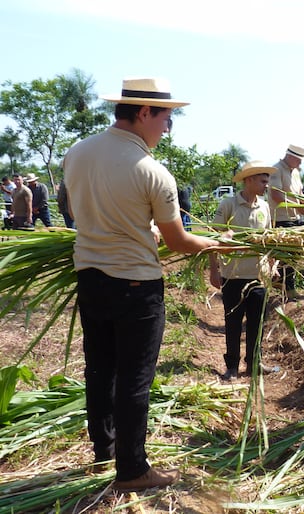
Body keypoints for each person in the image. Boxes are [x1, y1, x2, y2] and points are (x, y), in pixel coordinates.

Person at [63, 77, 227, 493]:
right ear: (143, 113)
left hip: (90, 278)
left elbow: (87, 212)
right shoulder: (152, 172)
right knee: (134, 379)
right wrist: (212, 242)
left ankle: (105, 450)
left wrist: (142, 229)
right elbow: (178, 242)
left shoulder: (76, 153)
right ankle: (133, 470)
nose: (166, 128)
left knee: (100, 371)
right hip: (136, 287)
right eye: (166, 119)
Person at [209, 161, 274, 381]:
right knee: (233, 323)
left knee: (257, 324)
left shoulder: (264, 206)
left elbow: (271, 240)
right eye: (263, 181)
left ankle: (255, 362)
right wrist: (213, 270)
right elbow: (212, 239)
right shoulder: (228, 204)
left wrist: (272, 266)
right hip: (233, 276)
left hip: (258, 277)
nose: (267, 185)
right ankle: (232, 366)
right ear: (249, 180)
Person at [269, 144, 304, 300]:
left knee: (295, 255)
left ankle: (286, 285)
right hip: (282, 219)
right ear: (291, 157)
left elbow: (299, 195)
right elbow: (276, 196)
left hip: (296, 219)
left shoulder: (296, 173)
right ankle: (286, 288)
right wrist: (298, 207)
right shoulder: (276, 170)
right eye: (298, 160)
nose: (300, 164)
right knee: (285, 256)